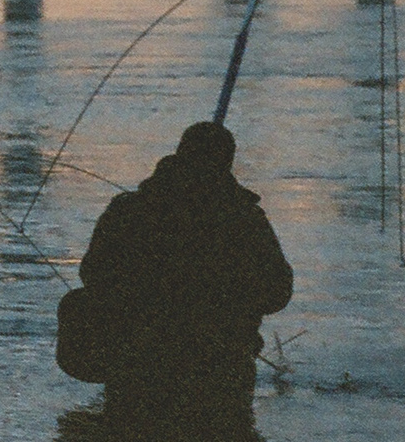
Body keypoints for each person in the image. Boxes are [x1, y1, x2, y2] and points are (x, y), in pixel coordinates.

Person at [60, 120, 293, 423]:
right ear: (227, 163)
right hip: (221, 372)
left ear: (179, 154)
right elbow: (277, 292)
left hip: (135, 367)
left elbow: (93, 274)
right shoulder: (245, 220)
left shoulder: (128, 210)